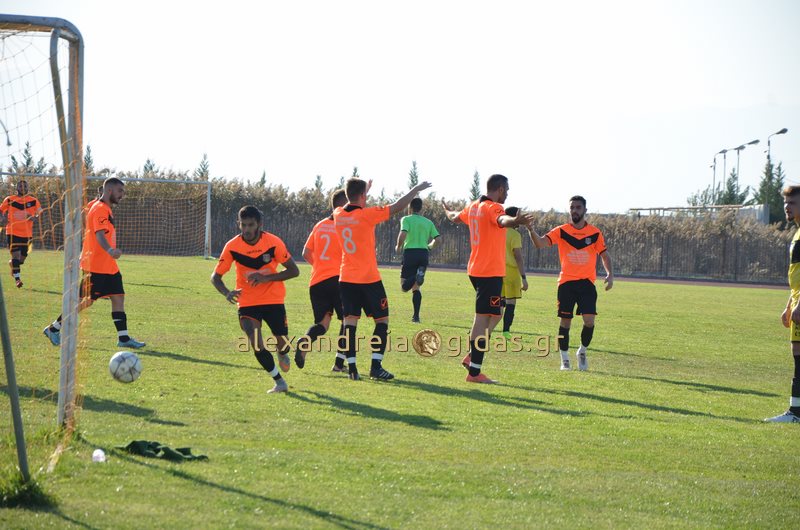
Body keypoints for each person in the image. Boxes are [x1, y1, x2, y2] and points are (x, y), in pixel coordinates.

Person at [334, 177, 432, 381]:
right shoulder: (367, 215)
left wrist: (363, 192)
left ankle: (352, 368)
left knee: (350, 323)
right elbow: (397, 206)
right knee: (382, 321)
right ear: (363, 196)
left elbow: (351, 202)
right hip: (368, 278)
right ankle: (375, 366)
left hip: (346, 278)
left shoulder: (338, 214)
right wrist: (416, 189)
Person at [442, 174, 533, 384]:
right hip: (489, 272)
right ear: (499, 189)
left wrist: (446, 210)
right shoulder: (494, 207)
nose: (507, 193)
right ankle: (474, 372)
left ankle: (471, 358)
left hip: (477, 269)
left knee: (496, 312)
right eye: (506, 190)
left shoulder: (473, 206)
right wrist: (515, 220)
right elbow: (502, 220)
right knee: (482, 318)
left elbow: (454, 217)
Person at [43, 177, 146, 349]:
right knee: (84, 301)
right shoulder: (100, 209)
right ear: (110, 190)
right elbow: (99, 234)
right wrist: (110, 250)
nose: (122, 194)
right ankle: (53, 328)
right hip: (96, 265)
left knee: (118, 297)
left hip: (109, 266)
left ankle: (124, 338)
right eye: (120, 191)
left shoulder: (102, 207)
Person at [211, 205, 299, 394]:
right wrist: (226, 292)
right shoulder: (232, 246)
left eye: (250, 225)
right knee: (255, 341)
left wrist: (266, 278)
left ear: (259, 224)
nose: (247, 230)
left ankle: (282, 353)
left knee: (283, 343)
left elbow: (294, 270)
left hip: (273, 300)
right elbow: (215, 277)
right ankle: (279, 381)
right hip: (247, 302)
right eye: (243, 225)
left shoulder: (273, 242)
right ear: (239, 224)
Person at [525, 195, 613, 371]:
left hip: (587, 284)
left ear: (585, 210)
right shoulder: (561, 231)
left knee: (589, 322)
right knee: (565, 322)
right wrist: (530, 229)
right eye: (572, 207)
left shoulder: (595, 233)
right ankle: (564, 359)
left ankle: (582, 351)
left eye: (578, 207)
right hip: (566, 283)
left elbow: (604, 255)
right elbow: (540, 243)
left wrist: (610, 274)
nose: (574, 211)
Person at [294, 189, 348, 372]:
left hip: (317, 281)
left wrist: (320, 267)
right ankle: (339, 364)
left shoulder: (320, 225)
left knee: (322, 324)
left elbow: (305, 252)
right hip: (339, 281)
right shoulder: (345, 227)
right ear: (343, 205)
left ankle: (305, 342)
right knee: (348, 321)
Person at [766, 185, 800, 422]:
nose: (787, 207)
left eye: (793, 203)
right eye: (786, 203)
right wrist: (789, 304)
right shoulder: (797, 233)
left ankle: (795, 412)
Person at [395, 197, 440, 323]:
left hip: (410, 253)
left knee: (404, 287)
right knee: (416, 288)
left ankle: (416, 276)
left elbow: (403, 233)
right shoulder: (428, 222)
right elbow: (438, 239)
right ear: (421, 209)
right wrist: (429, 246)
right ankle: (416, 317)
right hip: (423, 254)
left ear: (410, 207)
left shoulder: (406, 219)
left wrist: (398, 246)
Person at [0, 180, 42, 288]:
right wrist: (3, 218)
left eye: (25, 186)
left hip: (27, 234)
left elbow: (40, 213)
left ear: (28, 188)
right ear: (17, 187)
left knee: (21, 259)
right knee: (16, 255)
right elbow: (1, 210)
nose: (23, 188)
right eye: (20, 186)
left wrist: (34, 218)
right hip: (12, 232)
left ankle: (13, 264)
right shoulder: (9, 199)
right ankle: (17, 280)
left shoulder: (34, 201)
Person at [501, 206, 528, 339]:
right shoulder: (515, 235)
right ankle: (506, 331)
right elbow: (518, 257)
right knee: (511, 303)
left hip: (497, 271)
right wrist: (524, 278)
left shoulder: (497, 231)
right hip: (511, 272)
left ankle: (488, 328)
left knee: (498, 301)